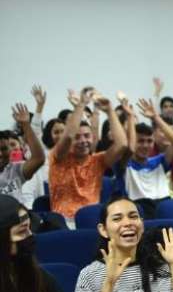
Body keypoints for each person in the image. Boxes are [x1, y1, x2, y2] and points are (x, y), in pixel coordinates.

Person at [48, 90, 128, 225]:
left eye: (87, 136)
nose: (83, 141)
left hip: (93, 220)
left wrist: (109, 111)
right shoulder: (58, 158)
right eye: (77, 137)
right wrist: (81, 104)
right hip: (64, 222)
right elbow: (68, 136)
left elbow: (122, 144)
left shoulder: (98, 160)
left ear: (93, 138)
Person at [117, 99, 173, 219]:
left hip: (165, 212)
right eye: (140, 141)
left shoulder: (159, 162)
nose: (146, 145)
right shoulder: (125, 164)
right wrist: (131, 117)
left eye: (149, 141)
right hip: (139, 216)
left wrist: (156, 117)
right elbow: (130, 149)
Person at [1, 104, 45, 203]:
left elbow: (39, 158)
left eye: (4, 149)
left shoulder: (16, 169)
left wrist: (26, 124)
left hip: (23, 214)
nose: (1, 153)